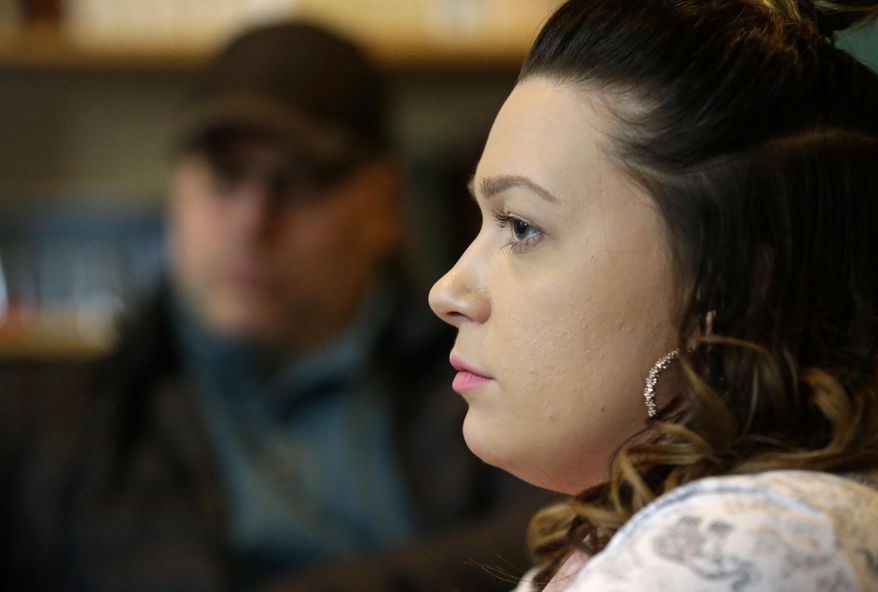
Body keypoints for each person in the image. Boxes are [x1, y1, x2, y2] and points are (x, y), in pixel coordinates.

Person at [0, 22, 545, 592]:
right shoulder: (60, 422)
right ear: (175, 189)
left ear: (383, 204)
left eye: (300, 182)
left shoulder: (483, 391)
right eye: (224, 176)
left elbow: (560, 530)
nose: (252, 222)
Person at [428, 0, 878, 590]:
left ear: (730, 282)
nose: (447, 292)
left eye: (521, 226)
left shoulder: (739, 544)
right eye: (483, 222)